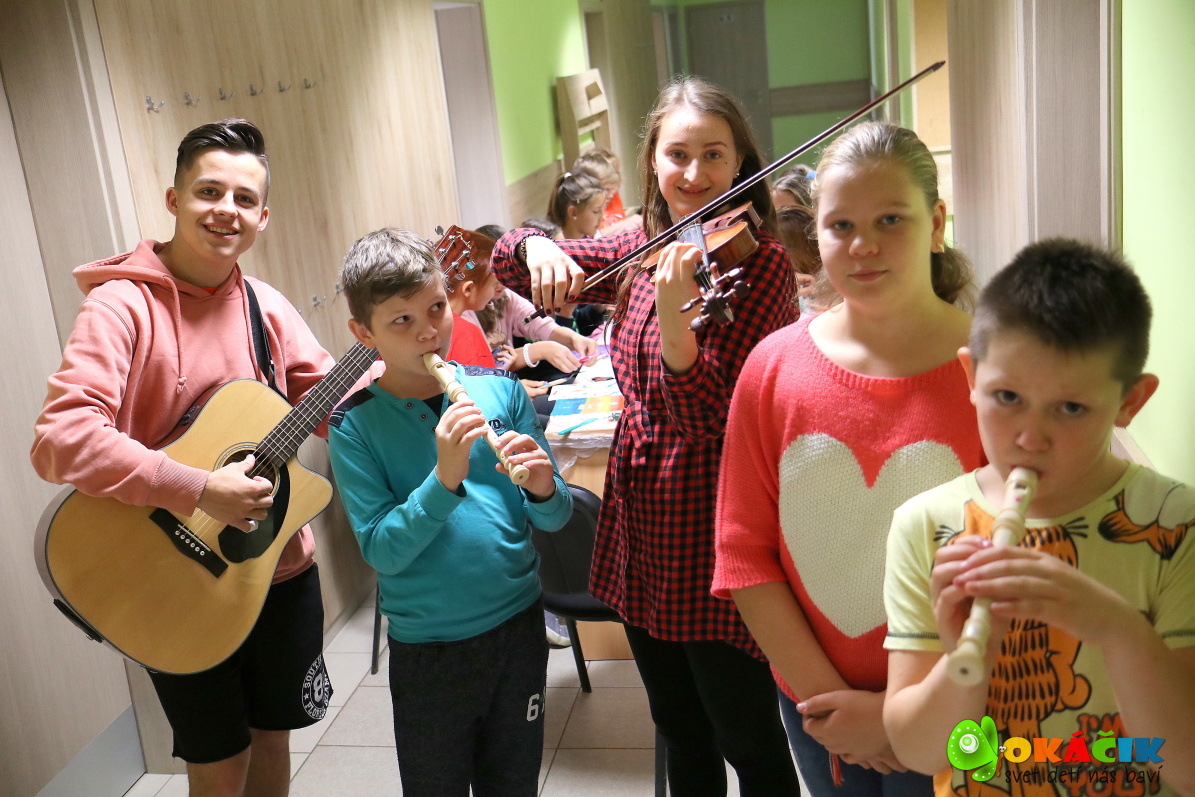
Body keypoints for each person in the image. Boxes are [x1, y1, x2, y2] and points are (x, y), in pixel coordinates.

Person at [492, 75, 802, 796]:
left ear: (739, 161)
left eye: (713, 155)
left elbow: (702, 415)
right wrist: (535, 248)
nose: (694, 174)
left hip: (717, 528)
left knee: (749, 741)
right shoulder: (642, 243)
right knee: (679, 728)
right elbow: (506, 259)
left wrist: (673, 320)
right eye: (677, 154)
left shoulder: (760, 266)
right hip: (642, 530)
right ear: (653, 160)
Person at [30, 119, 336, 797]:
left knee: (273, 737)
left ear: (262, 217)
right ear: (174, 199)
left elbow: (331, 402)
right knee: (218, 760)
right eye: (209, 191)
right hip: (174, 576)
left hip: (276, 569)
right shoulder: (121, 305)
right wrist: (196, 487)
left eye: (245, 198)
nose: (227, 210)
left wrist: (396, 359)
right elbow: (61, 437)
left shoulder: (265, 306)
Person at [713, 121, 985, 796]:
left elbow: (1022, 558)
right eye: (840, 226)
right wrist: (832, 704)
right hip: (821, 710)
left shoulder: (995, 372)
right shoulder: (772, 369)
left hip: (963, 703)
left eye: (890, 219)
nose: (863, 246)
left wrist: (901, 719)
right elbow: (744, 554)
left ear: (935, 223)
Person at [883, 238, 1195, 797]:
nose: (1030, 438)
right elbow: (919, 751)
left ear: (1130, 401)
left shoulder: (1177, 524)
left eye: (1071, 407)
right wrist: (963, 660)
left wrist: (1118, 630)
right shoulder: (925, 526)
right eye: (1007, 396)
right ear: (971, 376)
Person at [328, 227, 572, 796]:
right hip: (429, 649)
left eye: (436, 308)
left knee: (514, 783)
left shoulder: (501, 390)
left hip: (517, 627)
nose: (428, 331)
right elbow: (382, 550)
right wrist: (443, 479)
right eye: (401, 321)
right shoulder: (353, 425)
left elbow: (555, 518)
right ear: (364, 333)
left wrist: (543, 488)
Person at [572, 147, 644, 236]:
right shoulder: (584, 208)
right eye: (606, 189)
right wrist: (623, 224)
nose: (613, 191)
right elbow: (591, 238)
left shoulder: (611, 195)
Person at [547, 170, 607, 241]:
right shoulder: (552, 245)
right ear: (573, 212)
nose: (603, 218)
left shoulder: (590, 241)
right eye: (596, 211)